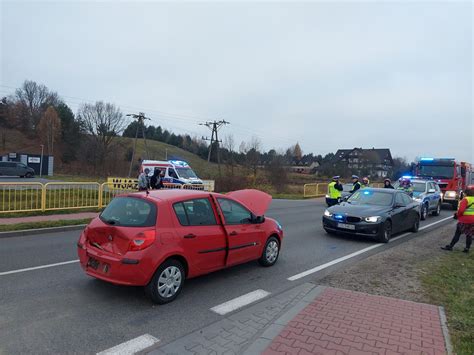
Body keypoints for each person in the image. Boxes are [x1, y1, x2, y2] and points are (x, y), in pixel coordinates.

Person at [441, 185, 474, 253]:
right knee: (469, 234)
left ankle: (450, 246)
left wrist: (457, 216)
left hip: (464, 220)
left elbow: (461, 210)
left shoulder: (465, 200)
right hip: (473, 220)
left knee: (458, 233)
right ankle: (467, 248)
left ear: (466, 193)